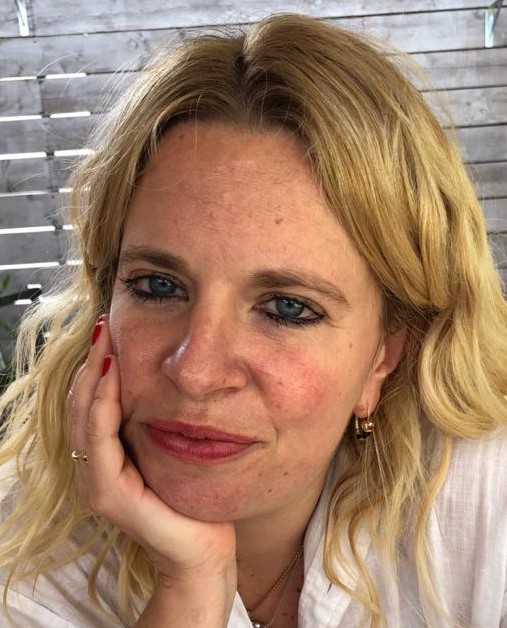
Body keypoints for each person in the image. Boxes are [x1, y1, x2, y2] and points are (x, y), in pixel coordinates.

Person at [0, 12, 506, 628]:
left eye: (288, 308)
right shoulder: (22, 561)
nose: (196, 372)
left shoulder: (483, 500)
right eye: (158, 286)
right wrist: (189, 583)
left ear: (384, 354)